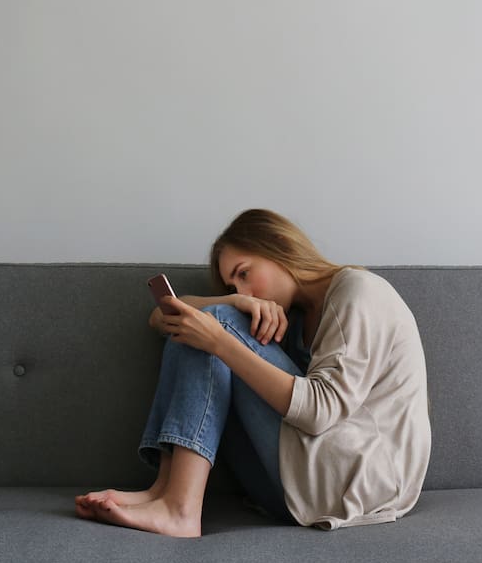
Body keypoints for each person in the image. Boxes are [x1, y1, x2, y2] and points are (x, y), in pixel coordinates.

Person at [75, 208, 431, 537]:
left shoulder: (357, 291)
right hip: (293, 492)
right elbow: (162, 317)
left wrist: (220, 338)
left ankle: (180, 510)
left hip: (358, 486)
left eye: (244, 274)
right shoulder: (287, 320)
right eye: (233, 285)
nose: (243, 290)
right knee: (193, 330)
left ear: (279, 247)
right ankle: (163, 492)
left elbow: (321, 412)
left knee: (211, 330)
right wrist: (233, 303)